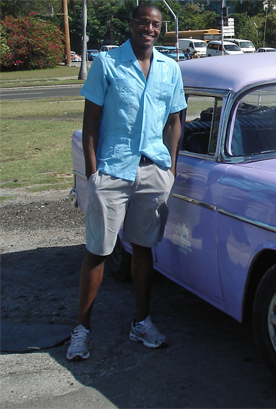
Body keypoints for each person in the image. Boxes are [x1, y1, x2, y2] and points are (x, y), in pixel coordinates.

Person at [66, 2, 187, 361]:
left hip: (153, 171)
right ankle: (82, 329)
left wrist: (171, 168)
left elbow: (176, 119)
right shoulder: (107, 63)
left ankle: (141, 322)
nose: (149, 28)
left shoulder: (170, 69)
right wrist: (92, 172)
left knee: (143, 248)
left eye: (155, 24)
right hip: (113, 170)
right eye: (143, 22)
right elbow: (91, 121)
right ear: (131, 24)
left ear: (160, 30)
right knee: (99, 251)